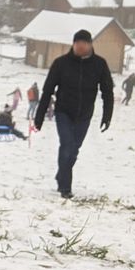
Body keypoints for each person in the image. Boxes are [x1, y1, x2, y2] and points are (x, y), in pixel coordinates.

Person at [34, 28, 114, 199]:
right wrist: (39, 116)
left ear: (90, 45)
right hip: (63, 111)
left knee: (74, 150)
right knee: (66, 146)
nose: (80, 47)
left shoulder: (99, 64)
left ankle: (61, 174)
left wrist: (107, 115)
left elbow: (107, 91)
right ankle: (65, 187)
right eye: (77, 43)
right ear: (73, 44)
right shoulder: (61, 63)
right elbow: (48, 90)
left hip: (84, 114)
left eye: (84, 43)